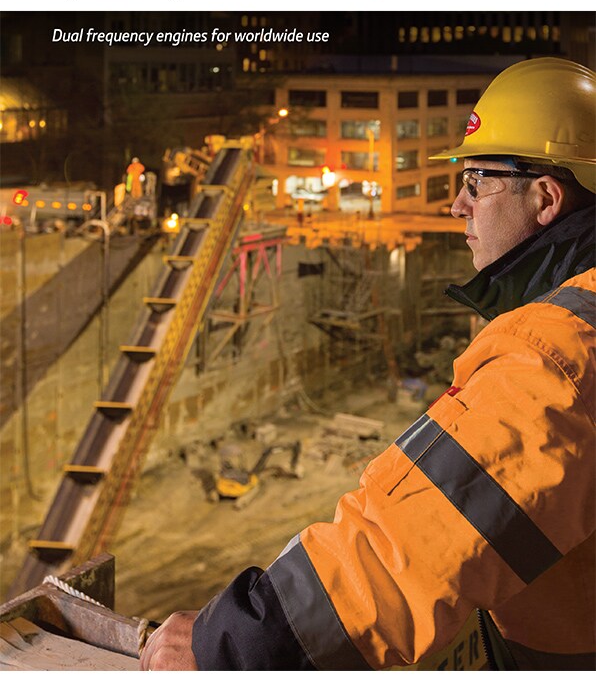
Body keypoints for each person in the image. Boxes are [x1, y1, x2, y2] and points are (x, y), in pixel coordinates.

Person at [139, 57, 595, 671]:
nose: (456, 205)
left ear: (546, 196)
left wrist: (232, 647)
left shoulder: (559, 351)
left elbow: (412, 546)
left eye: (477, 181)